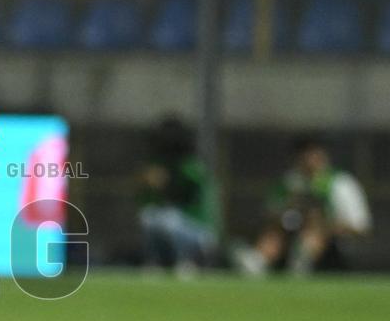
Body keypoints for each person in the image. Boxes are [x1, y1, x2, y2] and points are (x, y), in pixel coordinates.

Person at [232, 137, 371, 276]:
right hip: (291, 236)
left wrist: (323, 224)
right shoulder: (289, 182)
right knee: (275, 232)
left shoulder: (341, 183)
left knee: (313, 231)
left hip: (332, 241)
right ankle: (257, 261)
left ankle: (301, 263)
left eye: (313, 154)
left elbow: (360, 226)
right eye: (303, 154)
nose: (308, 159)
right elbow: (271, 214)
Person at [137, 115, 217, 274]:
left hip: (202, 232)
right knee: (148, 216)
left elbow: (187, 197)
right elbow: (147, 202)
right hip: (179, 227)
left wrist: (165, 185)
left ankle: (189, 261)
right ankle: (156, 262)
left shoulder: (191, 166)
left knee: (169, 219)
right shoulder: (162, 164)